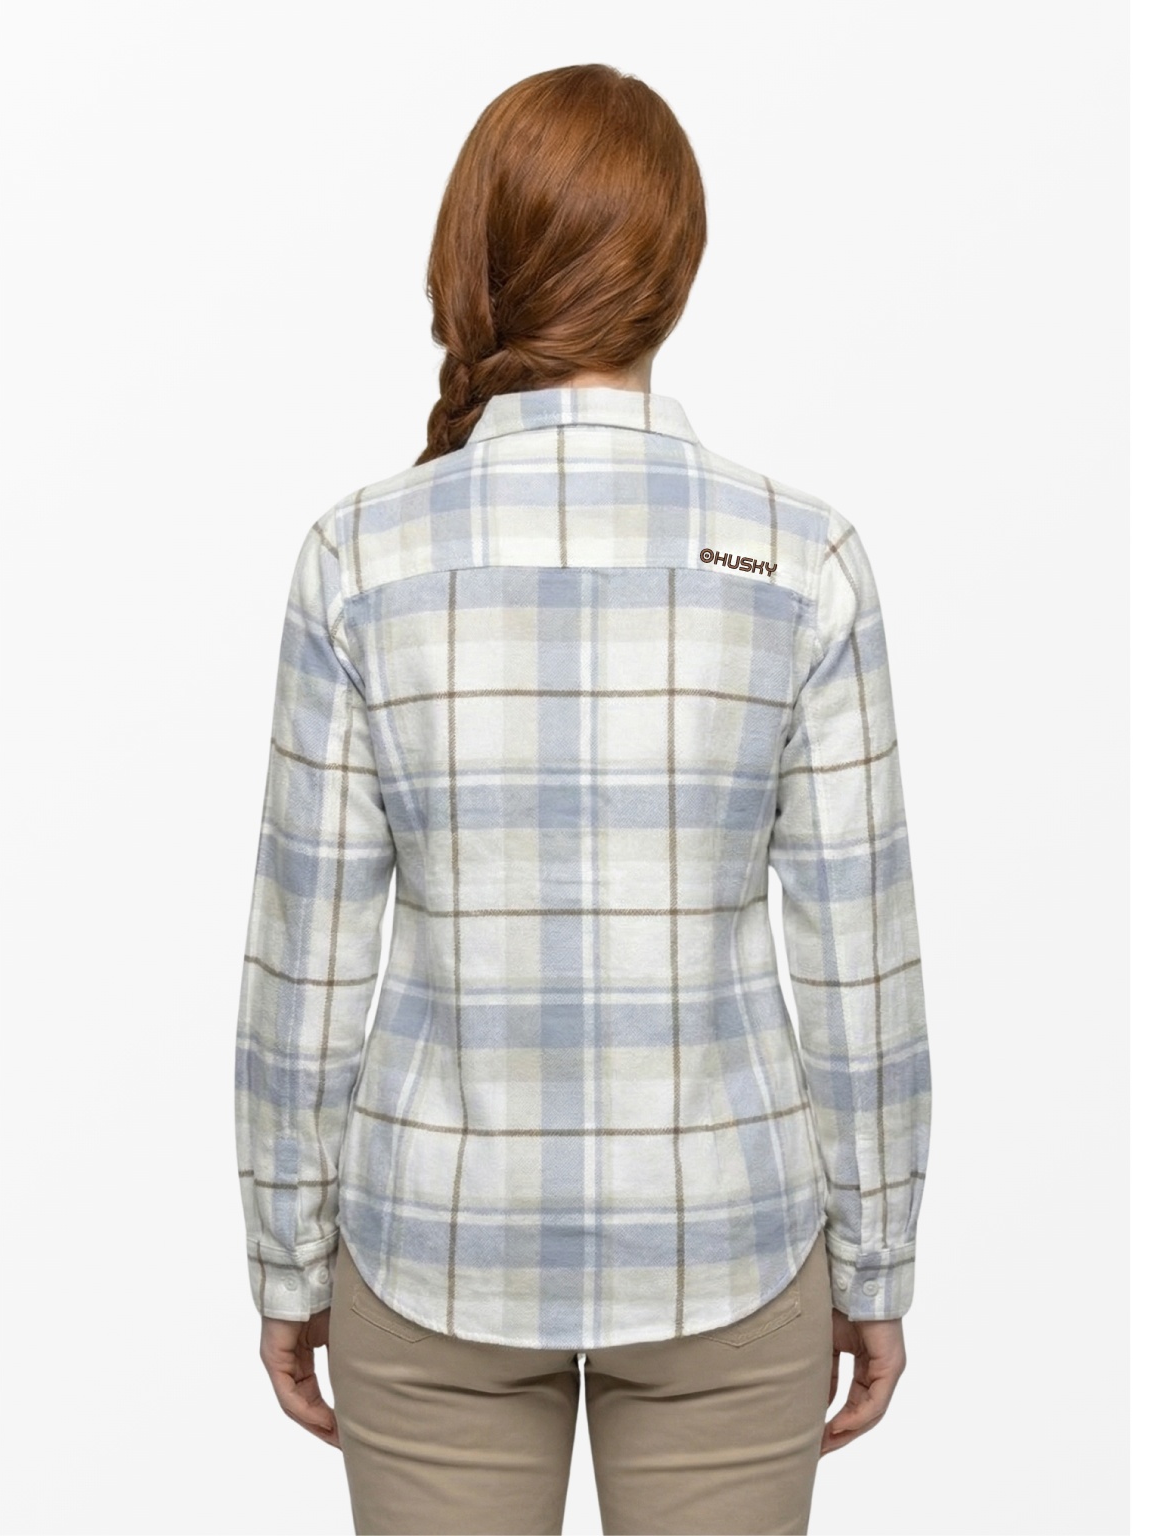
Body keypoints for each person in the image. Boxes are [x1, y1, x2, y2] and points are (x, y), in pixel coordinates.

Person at [234, 62, 931, 1536]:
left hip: (432, 1247)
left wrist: (286, 1257)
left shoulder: (359, 557)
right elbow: (859, 961)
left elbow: (306, 960)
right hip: (732, 1245)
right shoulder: (799, 559)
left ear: (473, 257)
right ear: (673, 271)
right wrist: (877, 1262)